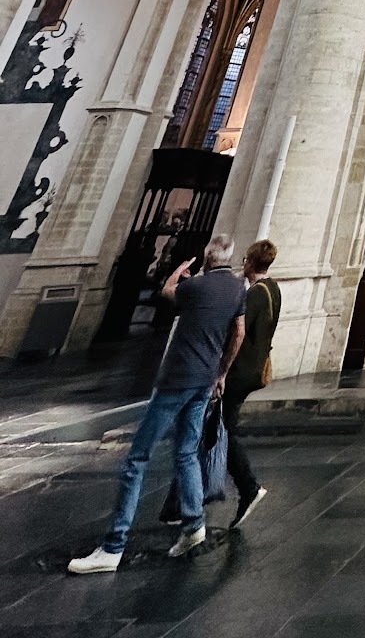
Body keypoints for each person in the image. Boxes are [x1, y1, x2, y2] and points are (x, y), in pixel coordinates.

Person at [68, 233, 247, 573]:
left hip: (176, 379)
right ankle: (193, 524)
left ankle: (113, 546)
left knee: (137, 458)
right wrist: (222, 372)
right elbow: (238, 332)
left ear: (207, 257)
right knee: (186, 453)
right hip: (205, 380)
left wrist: (178, 271)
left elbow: (166, 292)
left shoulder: (194, 287)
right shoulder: (238, 289)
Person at [158, 238, 280, 531]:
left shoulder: (253, 295)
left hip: (236, 374)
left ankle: (246, 487)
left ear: (249, 261)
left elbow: (234, 330)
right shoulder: (272, 288)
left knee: (216, 431)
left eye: (245, 260)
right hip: (250, 371)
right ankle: (181, 504)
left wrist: (220, 372)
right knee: (205, 432)